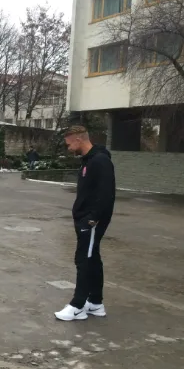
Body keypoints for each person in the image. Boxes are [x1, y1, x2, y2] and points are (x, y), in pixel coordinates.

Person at [55, 125, 115, 322]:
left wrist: (92, 219)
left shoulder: (100, 161)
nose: (68, 148)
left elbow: (106, 193)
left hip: (91, 221)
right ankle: (95, 302)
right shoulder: (89, 160)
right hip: (85, 218)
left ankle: (77, 305)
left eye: (69, 144)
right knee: (92, 258)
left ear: (78, 139)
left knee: (84, 260)